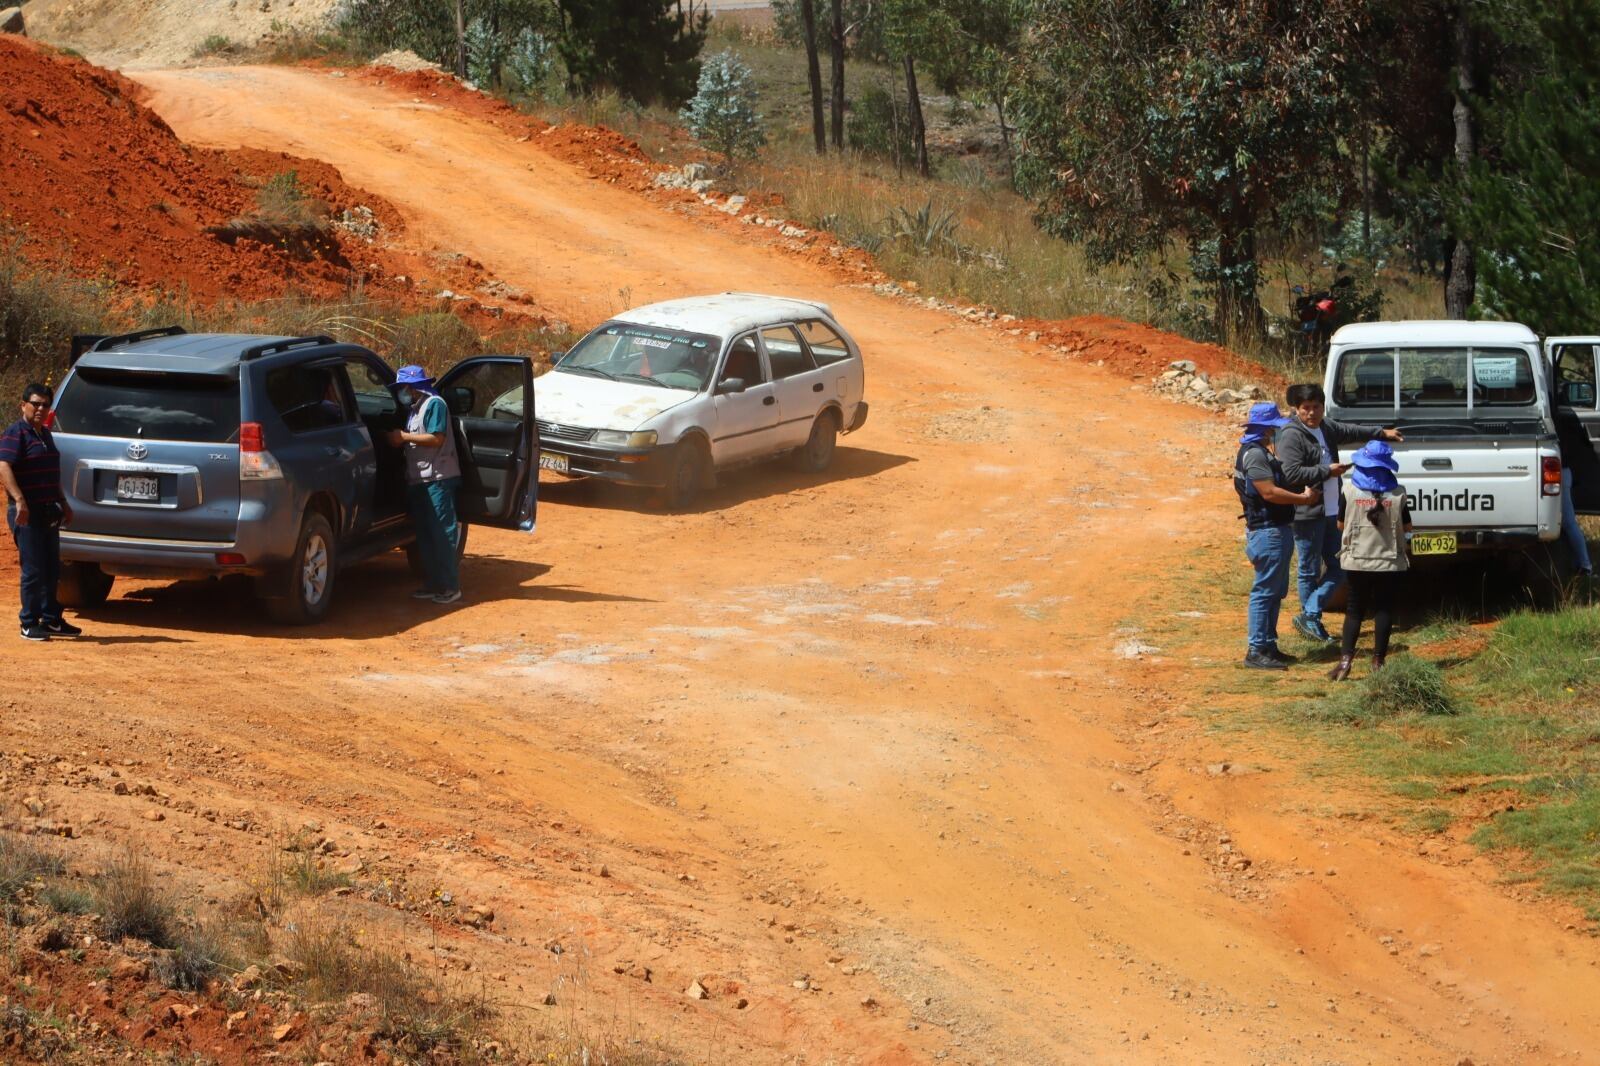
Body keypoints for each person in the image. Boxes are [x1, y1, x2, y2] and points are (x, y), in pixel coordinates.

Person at [1276, 383, 1404, 643]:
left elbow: (1351, 430)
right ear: (1296, 409)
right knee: (1309, 569)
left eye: (1316, 407)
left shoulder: (1326, 426)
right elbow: (1290, 473)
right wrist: (1326, 471)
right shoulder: (1291, 435)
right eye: (1306, 408)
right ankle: (1312, 618)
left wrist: (1382, 433)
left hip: (1331, 511)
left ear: (1323, 407)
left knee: (1340, 566)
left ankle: (1310, 614)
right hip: (1307, 512)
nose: (1311, 413)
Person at [1235, 402, 1318, 670]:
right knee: (1265, 591)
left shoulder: (1257, 452)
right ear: (1267, 429)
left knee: (1274, 591)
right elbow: (1269, 493)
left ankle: (1268, 645)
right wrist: (1302, 499)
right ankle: (1257, 649)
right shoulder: (1256, 456)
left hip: (1272, 530)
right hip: (1267, 530)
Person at [0, 383, 81, 641]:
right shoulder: (17, 433)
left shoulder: (44, 435)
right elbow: (4, 466)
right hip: (27, 512)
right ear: (23, 405)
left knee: (51, 568)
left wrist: (64, 503)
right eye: (35, 403)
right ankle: (28, 622)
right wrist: (20, 500)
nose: (40, 408)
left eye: (45, 404)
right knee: (33, 570)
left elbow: (50, 473)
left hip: (48, 510)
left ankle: (51, 619)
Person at [1328, 441, 1411, 681]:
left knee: (1354, 611)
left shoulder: (1349, 491)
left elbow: (1340, 525)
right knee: (1384, 609)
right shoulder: (1399, 493)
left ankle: (1344, 663)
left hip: (1357, 561)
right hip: (1389, 562)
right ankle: (1378, 662)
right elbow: (1408, 527)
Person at [387, 366, 463, 605]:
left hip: (438, 478)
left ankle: (450, 587)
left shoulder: (434, 404)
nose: (402, 392)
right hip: (420, 478)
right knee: (425, 535)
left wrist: (404, 437)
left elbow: (436, 438)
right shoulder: (415, 408)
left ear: (413, 386)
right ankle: (433, 584)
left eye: (404, 387)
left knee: (442, 533)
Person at [1555, 405, 1596, 579]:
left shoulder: (1555, 419)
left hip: (1562, 471)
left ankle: (1585, 565)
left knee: (1568, 522)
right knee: (1566, 523)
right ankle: (1577, 563)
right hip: (1565, 471)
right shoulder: (1568, 419)